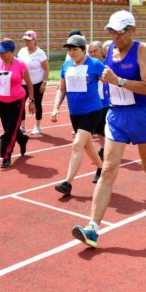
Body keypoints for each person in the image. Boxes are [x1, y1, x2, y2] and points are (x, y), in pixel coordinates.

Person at [71, 10, 146, 248]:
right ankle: (93, 228)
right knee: (108, 170)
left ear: (132, 30)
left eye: (119, 31)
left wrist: (119, 81)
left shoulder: (142, 49)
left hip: (140, 115)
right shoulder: (109, 50)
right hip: (116, 115)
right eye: (111, 31)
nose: (115, 36)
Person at [51, 35, 105, 196]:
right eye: (69, 49)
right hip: (74, 112)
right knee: (87, 145)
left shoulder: (95, 64)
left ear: (83, 50)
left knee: (77, 145)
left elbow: (111, 80)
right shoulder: (66, 65)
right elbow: (61, 89)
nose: (72, 52)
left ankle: (67, 183)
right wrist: (55, 108)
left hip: (92, 110)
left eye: (75, 49)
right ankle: (102, 168)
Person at [0, 39, 35, 168]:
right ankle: (22, 139)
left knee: (10, 131)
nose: (0, 55)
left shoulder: (20, 65)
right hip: (0, 101)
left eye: (3, 52)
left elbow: (29, 84)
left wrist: (32, 101)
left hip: (16, 102)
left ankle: (6, 156)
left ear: (11, 52)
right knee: (9, 129)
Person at [17, 30, 49, 135]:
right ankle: (22, 126)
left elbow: (46, 69)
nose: (26, 42)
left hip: (37, 83)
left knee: (37, 104)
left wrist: (44, 83)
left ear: (34, 40)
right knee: (20, 104)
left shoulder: (40, 53)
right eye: (25, 40)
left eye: (29, 40)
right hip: (23, 83)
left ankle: (38, 126)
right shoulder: (21, 51)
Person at [88, 40, 110, 183]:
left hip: (105, 104)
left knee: (103, 132)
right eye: (90, 52)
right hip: (93, 105)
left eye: (95, 51)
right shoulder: (88, 66)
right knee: (98, 133)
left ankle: (103, 158)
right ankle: (103, 151)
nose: (92, 54)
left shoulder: (105, 67)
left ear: (102, 53)